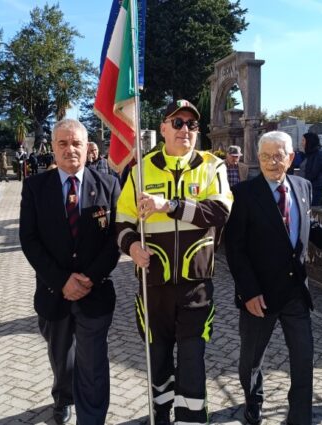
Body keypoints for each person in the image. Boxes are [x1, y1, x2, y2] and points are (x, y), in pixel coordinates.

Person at [116, 99, 233, 425]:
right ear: (163, 128)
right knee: (158, 360)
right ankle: (161, 415)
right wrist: (132, 245)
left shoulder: (213, 166)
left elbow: (220, 212)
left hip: (196, 287)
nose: (185, 129)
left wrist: (169, 206)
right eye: (177, 123)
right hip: (153, 286)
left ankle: (192, 419)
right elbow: (122, 221)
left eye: (192, 124)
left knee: (192, 361)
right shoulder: (141, 170)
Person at [225, 131, 322, 425]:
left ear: (291, 158)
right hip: (260, 296)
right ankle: (253, 399)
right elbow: (235, 249)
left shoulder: (302, 186)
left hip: (296, 292)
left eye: (278, 156)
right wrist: (249, 291)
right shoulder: (244, 194)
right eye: (265, 156)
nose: (271, 162)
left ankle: (299, 417)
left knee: (304, 359)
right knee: (250, 362)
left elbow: (310, 224)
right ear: (258, 158)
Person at [20, 118, 120, 425]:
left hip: (95, 291)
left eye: (76, 143)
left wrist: (89, 278)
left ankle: (91, 419)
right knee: (61, 359)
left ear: (88, 146)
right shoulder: (36, 187)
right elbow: (29, 239)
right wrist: (62, 280)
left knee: (93, 364)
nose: (70, 149)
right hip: (54, 293)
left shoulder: (109, 184)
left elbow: (116, 237)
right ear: (53, 148)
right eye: (62, 143)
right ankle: (63, 397)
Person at [298, 132, 322, 206]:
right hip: (306, 187)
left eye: (303, 140)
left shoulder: (319, 154)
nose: (301, 143)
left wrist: (301, 183)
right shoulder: (309, 154)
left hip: (315, 188)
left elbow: (313, 173)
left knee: (312, 211)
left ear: (309, 141)